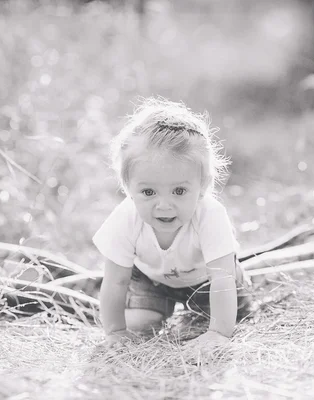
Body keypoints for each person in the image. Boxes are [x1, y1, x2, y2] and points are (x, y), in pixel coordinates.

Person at [93, 97, 249, 348]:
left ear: (203, 186)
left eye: (178, 191)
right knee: (139, 326)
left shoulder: (209, 214)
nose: (164, 205)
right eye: (148, 192)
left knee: (235, 316)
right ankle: (156, 308)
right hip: (152, 280)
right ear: (128, 187)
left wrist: (219, 334)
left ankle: (214, 316)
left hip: (207, 281)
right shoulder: (126, 217)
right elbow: (115, 281)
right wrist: (115, 332)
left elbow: (222, 279)